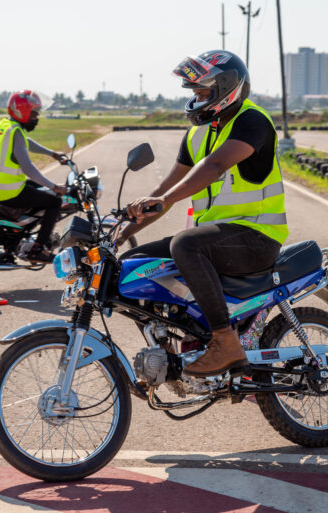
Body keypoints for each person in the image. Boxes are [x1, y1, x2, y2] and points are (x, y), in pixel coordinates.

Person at [118, 50, 288, 378]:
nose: (196, 99)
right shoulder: (198, 133)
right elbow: (164, 192)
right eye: (194, 93)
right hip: (218, 239)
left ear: (227, 88)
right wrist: (120, 231)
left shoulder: (252, 121)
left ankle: (225, 343)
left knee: (184, 245)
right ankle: (169, 356)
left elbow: (214, 165)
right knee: (133, 265)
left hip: (256, 238)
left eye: (203, 92)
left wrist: (164, 198)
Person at [0, 90, 69, 263]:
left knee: (40, 190)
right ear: (22, 111)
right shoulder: (15, 131)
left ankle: (23, 233)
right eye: (34, 113)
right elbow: (28, 169)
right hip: (8, 191)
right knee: (54, 201)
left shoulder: (6, 125)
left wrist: (52, 154)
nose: (37, 117)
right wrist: (54, 187)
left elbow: (25, 143)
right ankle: (38, 249)